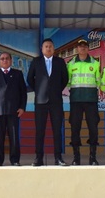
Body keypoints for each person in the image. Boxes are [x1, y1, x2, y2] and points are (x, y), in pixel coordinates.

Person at [27, 38, 69, 166]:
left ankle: (58, 158)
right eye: (46, 46)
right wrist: (40, 90)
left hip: (56, 101)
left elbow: (65, 79)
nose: (48, 48)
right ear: (42, 48)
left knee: (57, 130)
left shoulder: (60, 62)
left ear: (54, 48)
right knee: (40, 131)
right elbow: (30, 79)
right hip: (40, 102)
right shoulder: (36, 62)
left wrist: (55, 90)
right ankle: (38, 158)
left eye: (50, 46)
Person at [0, 52, 27, 166]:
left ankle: (15, 160)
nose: (4, 60)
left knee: (14, 137)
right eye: (2, 59)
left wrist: (22, 107)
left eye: (7, 58)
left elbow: (23, 92)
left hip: (14, 111)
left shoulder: (18, 74)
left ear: (11, 60)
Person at [66, 39, 101, 165]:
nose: (83, 48)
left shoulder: (95, 63)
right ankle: (76, 157)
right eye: (80, 47)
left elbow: (99, 81)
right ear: (77, 49)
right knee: (75, 128)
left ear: (88, 48)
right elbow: (67, 82)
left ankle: (93, 157)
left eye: (85, 46)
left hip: (91, 100)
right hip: (76, 100)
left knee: (93, 128)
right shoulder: (70, 64)